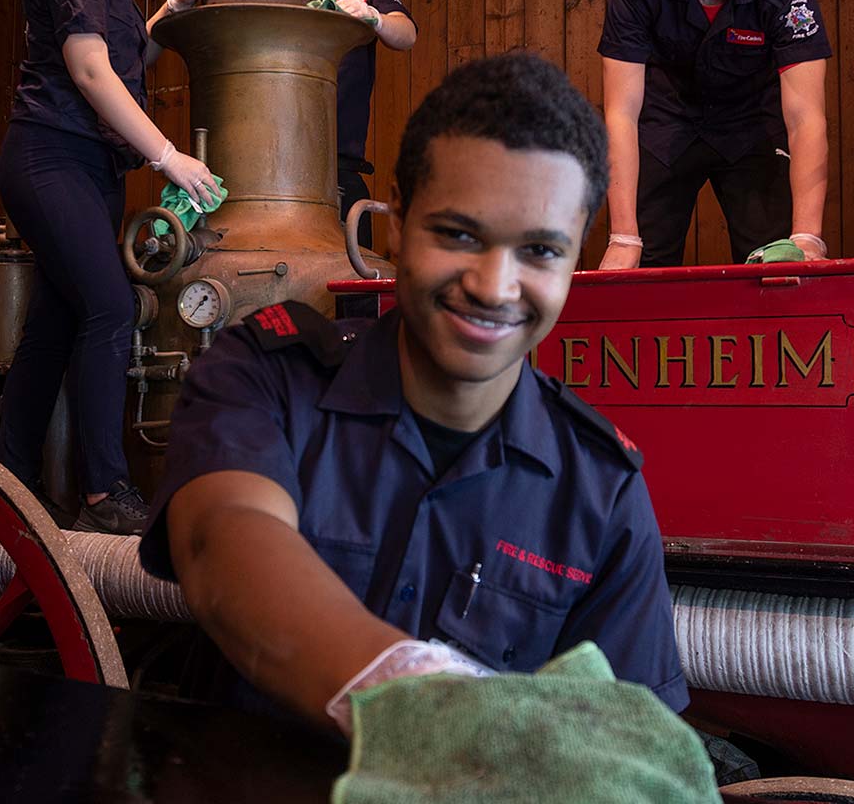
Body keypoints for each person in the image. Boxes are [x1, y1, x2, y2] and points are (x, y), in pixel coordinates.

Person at [140, 54, 685, 731]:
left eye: (541, 252)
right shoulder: (263, 377)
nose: (493, 286)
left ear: (577, 258)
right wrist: (418, 697)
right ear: (397, 222)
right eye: (458, 235)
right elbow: (221, 541)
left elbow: (628, 744)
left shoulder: (604, 497)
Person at [0, 0, 222, 535]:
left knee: (56, 322)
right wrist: (168, 157)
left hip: (86, 164)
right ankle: (105, 489)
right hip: (49, 154)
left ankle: (9, 480)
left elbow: (118, 60)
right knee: (110, 308)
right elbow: (91, 75)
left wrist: (162, 18)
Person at [597, 0, 831, 270]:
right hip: (665, 124)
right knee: (637, 262)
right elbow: (620, 112)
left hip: (750, 126)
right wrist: (622, 236)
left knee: (778, 263)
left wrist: (807, 237)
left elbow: (806, 118)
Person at [242, 0, 416, 247]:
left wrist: (374, 17)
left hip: (341, 167)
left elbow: (406, 34)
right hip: (266, 167)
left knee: (354, 291)